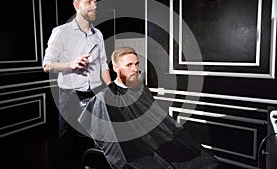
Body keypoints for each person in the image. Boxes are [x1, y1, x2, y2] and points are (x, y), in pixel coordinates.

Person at [78, 47, 220, 169]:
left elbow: (157, 117)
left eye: (136, 64)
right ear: (115, 68)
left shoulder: (140, 89)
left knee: (203, 159)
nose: (135, 69)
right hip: (134, 150)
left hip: (154, 139)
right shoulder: (106, 97)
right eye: (128, 65)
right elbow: (111, 139)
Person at [42, 0, 112, 169]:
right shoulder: (61, 32)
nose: (94, 5)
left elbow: (104, 64)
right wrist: (70, 64)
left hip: (96, 94)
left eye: (95, 2)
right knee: (67, 140)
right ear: (76, 5)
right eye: (89, 1)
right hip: (71, 96)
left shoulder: (98, 35)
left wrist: (112, 88)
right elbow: (47, 65)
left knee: (95, 138)